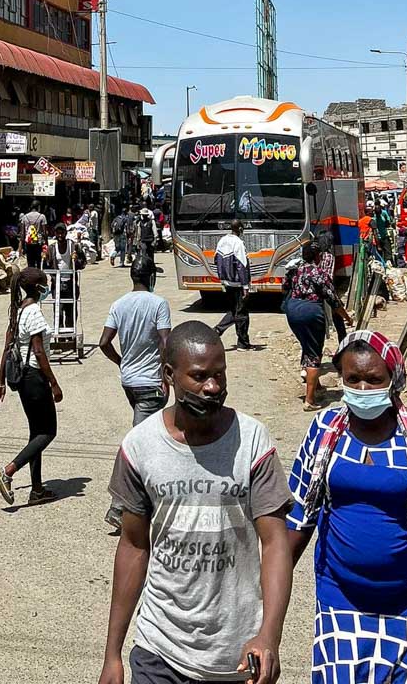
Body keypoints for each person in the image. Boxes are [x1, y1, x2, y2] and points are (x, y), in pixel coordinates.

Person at [99, 321, 294, 684]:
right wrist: (113, 654)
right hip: (159, 648)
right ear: (169, 375)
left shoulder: (252, 441)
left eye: (220, 375)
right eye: (200, 376)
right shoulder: (140, 447)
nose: (213, 387)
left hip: (234, 657)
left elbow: (275, 542)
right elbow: (133, 546)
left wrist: (269, 635)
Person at [285, 330, 407, 684]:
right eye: (353, 379)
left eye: (374, 380)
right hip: (340, 603)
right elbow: (297, 522)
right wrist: (264, 608)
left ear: (394, 381)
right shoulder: (325, 431)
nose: (363, 390)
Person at [99, 249, 172, 532]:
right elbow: (166, 342)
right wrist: (167, 375)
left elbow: (104, 341)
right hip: (151, 384)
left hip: (129, 382)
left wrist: (121, 362)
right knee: (137, 442)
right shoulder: (158, 304)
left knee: (150, 439)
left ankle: (148, 499)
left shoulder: (119, 304)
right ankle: (118, 506)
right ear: (152, 276)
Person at [0, 266, 63, 506]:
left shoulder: (17, 311)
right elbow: (39, 351)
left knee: (36, 433)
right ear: (39, 287)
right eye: (45, 283)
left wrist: (0, 381)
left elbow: (6, 348)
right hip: (35, 377)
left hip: (22, 380)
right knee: (48, 432)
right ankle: (8, 471)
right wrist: (54, 383)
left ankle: (37, 490)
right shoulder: (33, 312)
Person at [282, 237, 352, 410]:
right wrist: (347, 318)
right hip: (311, 312)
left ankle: (316, 385)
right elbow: (333, 300)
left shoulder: (296, 271)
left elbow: (284, 287)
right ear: (317, 256)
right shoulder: (319, 274)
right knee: (314, 353)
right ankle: (310, 400)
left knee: (307, 346)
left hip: (292, 311)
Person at [214, 219, 252, 351]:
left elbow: (215, 259)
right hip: (237, 284)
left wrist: (223, 278)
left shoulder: (222, 240)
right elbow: (242, 265)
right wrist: (245, 286)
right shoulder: (238, 243)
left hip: (227, 282)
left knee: (234, 310)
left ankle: (219, 332)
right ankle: (242, 343)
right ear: (240, 229)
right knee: (242, 313)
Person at [43, 221, 85, 334]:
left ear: (66, 233)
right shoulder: (52, 248)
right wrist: (44, 258)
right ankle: (60, 333)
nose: (60, 236)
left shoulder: (73, 246)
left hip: (71, 283)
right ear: (55, 234)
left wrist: (76, 260)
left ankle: (70, 334)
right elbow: (46, 265)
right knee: (58, 311)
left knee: (71, 311)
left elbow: (83, 263)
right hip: (57, 283)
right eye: (58, 233)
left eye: (62, 233)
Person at [21, 202, 47, 268]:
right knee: (39, 262)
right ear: (38, 207)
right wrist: (46, 243)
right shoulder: (42, 216)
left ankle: (31, 276)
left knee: (30, 262)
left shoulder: (24, 217)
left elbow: (22, 233)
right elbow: (44, 232)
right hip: (38, 243)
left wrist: (23, 246)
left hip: (28, 243)